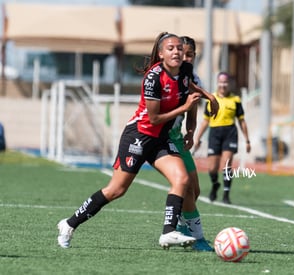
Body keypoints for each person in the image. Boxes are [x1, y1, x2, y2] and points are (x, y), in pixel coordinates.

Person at [57, 32, 213, 250]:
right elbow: (154, 118)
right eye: (171, 48)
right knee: (116, 190)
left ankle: (169, 232)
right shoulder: (153, 78)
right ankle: (69, 224)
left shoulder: (185, 70)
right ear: (161, 54)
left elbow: (190, 88)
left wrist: (210, 97)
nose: (177, 52)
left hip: (160, 139)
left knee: (182, 178)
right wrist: (184, 108)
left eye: (179, 48)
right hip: (139, 137)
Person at [169, 36, 218, 251]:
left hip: (178, 138)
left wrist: (190, 131)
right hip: (163, 138)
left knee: (195, 191)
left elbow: (193, 108)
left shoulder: (195, 78)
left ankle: (181, 225)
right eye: (183, 53)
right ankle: (197, 238)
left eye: (190, 54)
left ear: (194, 56)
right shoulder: (170, 75)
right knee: (186, 187)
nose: (185, 57)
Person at [194, 72, 251, 204]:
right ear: (217, 83)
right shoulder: (211, 98)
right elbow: (205, 121)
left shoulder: (235, 100)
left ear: (229, 84)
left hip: (230, 133)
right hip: (214, 133)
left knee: (227, 164)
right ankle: (215, 185)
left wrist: (247, 140)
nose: (223, 85)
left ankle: (226, 194)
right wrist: (197, 138)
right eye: (221, 82)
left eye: (225, 82)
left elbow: (242, 121)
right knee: (213, 167)